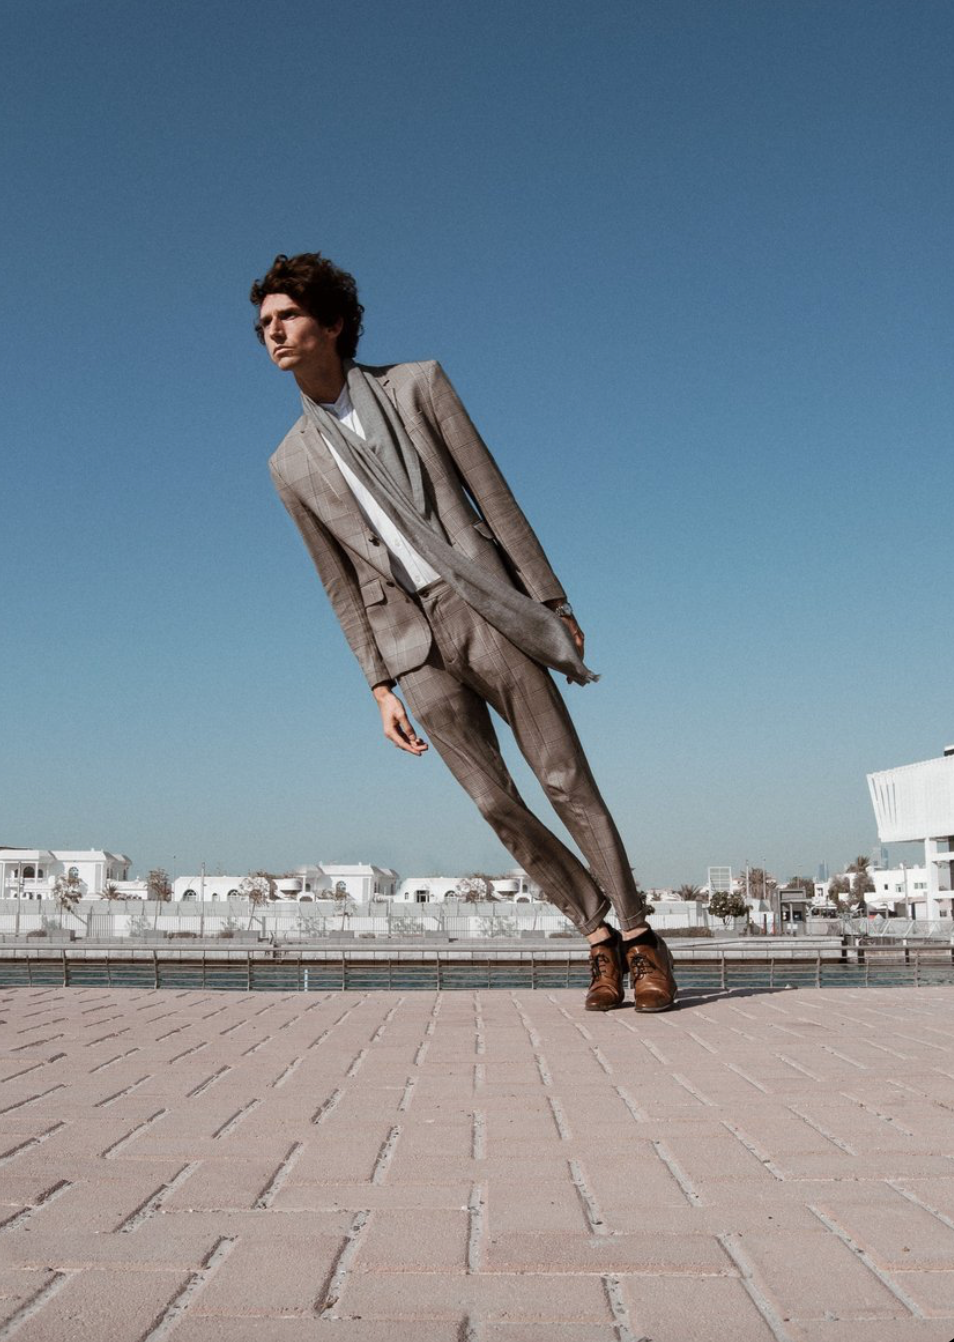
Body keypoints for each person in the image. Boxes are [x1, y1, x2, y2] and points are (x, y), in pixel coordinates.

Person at [251, 252, 677, 1013]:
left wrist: (550, 598)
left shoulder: (418, 385)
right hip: (409, 644)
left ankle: (641, 937)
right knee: (493, 801)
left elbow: (492, 491)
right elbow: (337, 584)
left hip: (485, 606)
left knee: (564, 778)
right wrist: (377, 683)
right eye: (263, 325)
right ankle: (595, 934)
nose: (271, 333)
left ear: (334, 323)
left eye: (285, 317)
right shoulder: (289, 463)